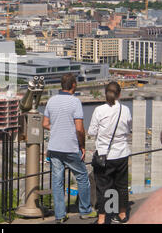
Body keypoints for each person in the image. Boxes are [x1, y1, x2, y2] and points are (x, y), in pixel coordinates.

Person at [43, 73, 97, 223]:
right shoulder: (75, 102)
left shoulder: (51, 100)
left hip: (54, 148)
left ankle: (60, 215)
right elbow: (79, 129)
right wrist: (82, 146)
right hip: (70, 147)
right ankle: (85, 210)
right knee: (82, 178)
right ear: (73, 85)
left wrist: (57, 128)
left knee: (57, 182)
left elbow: (45, 124)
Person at [88, 81, 132, 224]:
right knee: (122, 186)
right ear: (119, 94)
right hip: (122, 153)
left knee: (103, 187)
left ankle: (102, 218)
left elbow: (92, 131)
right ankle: (122, 214)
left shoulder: (99, 110)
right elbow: (128, 128)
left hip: (104, 155)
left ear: (105, 93)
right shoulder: (125, 110)